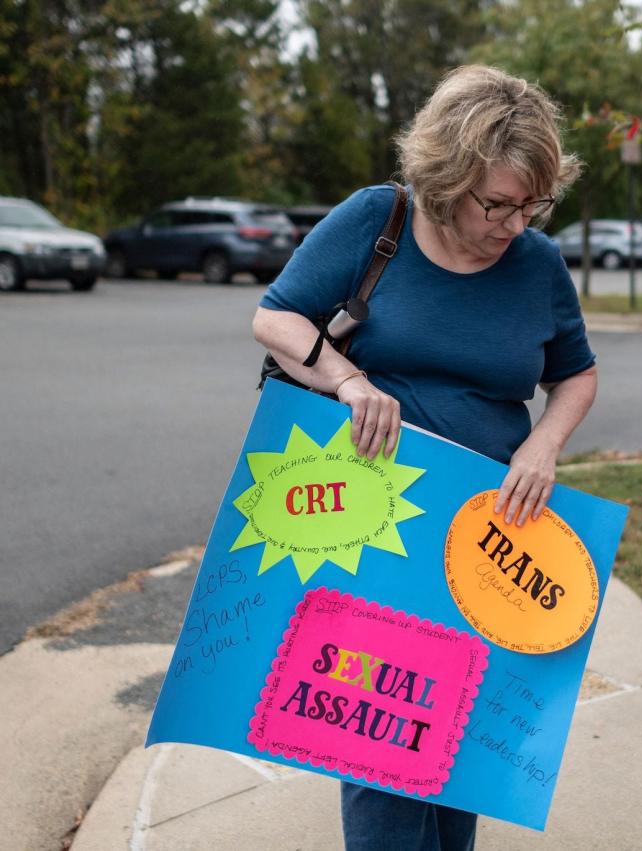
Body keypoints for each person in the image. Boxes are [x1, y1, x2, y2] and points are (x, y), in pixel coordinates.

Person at [253, 65, 597, 851]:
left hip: (486, 539)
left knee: (459, 748)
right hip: (373, 533)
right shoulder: (381, 219)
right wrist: (347, 379)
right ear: (448, 177)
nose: (514, 222)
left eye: (532, 204)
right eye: (497, 203)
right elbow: (274, 318)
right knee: (380, 747)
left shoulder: (537, 262)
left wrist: (544, 441)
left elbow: (575, 373)